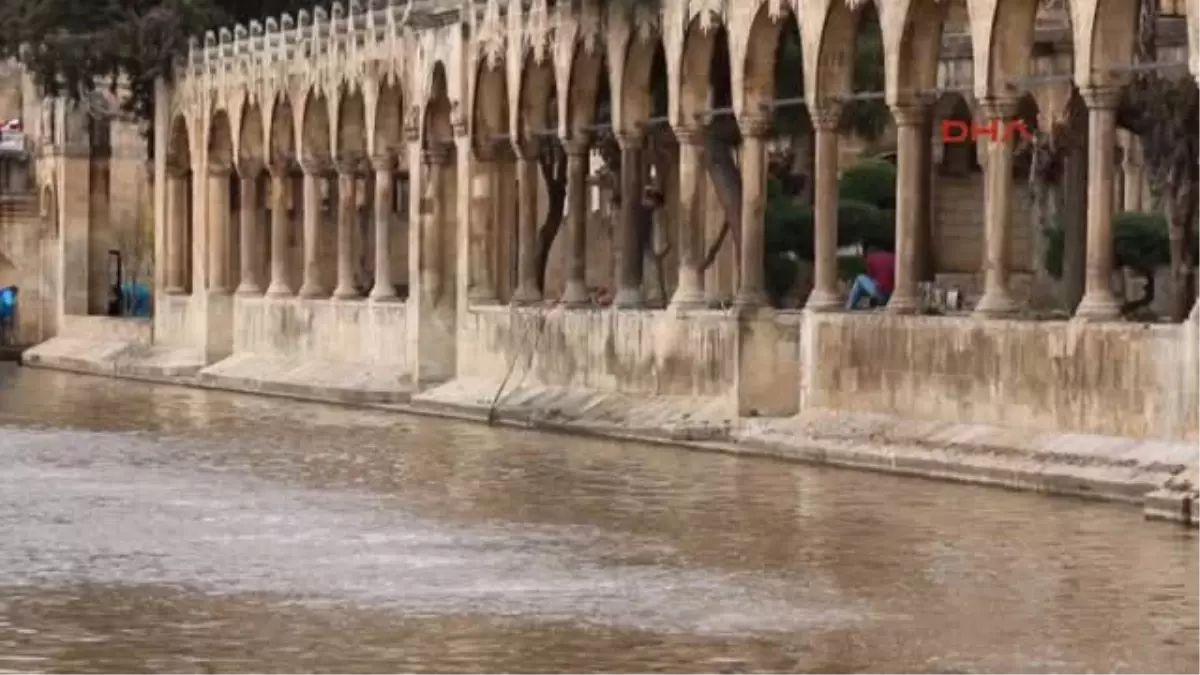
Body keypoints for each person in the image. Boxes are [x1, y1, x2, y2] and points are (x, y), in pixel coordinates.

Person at [845, 241, 895, 310]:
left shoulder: (871, 258)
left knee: (860, 279)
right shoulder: (893, 257)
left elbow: (871, 277)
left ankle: (850, 305)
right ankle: (876, 302)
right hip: (892, 294)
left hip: (881, 292)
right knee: (864, 286)